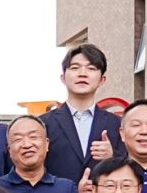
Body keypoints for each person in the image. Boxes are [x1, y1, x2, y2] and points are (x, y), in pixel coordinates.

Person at [41, 45, 124, 182]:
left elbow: (132, 167)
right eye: (75, 68)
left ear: (102, 80)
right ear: (63, 78)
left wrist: (112, 157)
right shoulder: (43, 124)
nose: (82, 74)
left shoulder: (118, 124)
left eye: (91, 68)